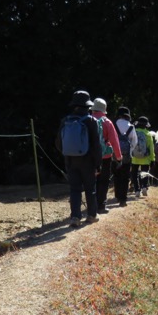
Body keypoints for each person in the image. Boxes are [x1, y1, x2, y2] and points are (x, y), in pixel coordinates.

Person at [55, 90, 102, 226]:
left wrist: (67, 153)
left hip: (70, 160)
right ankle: (92, 215)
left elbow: (58, 143)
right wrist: (98, 163)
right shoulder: (91, 121)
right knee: (90, 188)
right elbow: (96, 145)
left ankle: (75, 217)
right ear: (88, 106)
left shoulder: (65, 121)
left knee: (74, 189)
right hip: (88, 161)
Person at [91, 98, 122, 214]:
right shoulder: (107, 122)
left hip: (90, 157)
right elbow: (114, 140)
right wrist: (118, 157)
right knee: (103, 181)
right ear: (104, 109)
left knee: (92, 181)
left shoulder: (87, 120)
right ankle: (101, 206)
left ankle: (92, 206)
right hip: (105, 156)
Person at [113, 107, 137, 207]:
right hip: (127, 155)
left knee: (117, 175)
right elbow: (134, 141)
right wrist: (129, 150)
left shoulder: (113, 124)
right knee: (125, 177)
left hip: (114, 154)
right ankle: (123, 199)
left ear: (119, 115)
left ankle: (117, 195)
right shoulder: (131, 126)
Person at [130, 116, 155, 198]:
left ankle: (137, 190)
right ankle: (144, 186)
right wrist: (152, 159)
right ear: (146, 125)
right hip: (145, 157)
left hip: (135, 158)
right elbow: (151, 148)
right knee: (145, 173)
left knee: (134, 174)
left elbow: (131, 145)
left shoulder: (134, 132)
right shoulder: (148, 134)